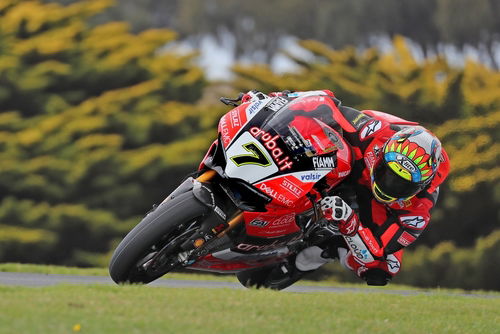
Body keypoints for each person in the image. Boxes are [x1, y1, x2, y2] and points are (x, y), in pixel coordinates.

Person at [245, 89, 450, 287]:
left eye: (402, 184)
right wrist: (274, 100)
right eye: (387, 172)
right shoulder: (373, 132)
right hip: (351, 171)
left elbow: (379, 250)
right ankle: (272, 189)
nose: (390, 184)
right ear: (382, 155)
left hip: (377, 207)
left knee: (384, 268)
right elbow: (325, 103)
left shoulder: (419, 210)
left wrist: (350, 223)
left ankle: (312, 257)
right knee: (315, 137)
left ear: (421, 186)